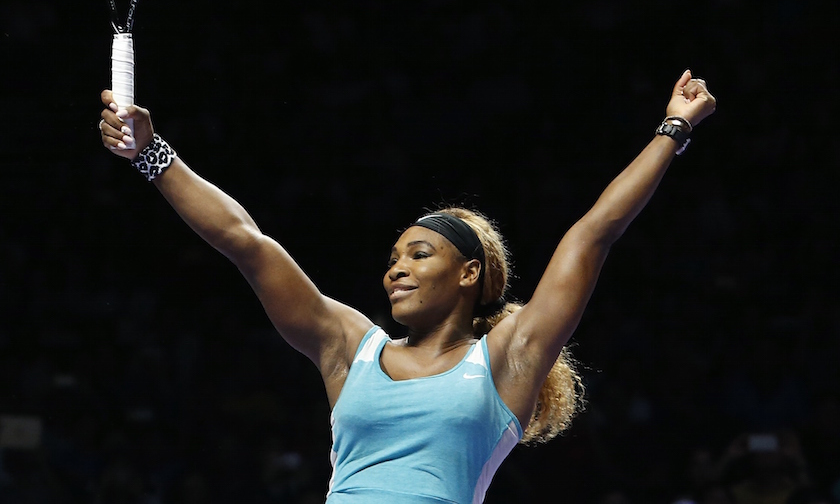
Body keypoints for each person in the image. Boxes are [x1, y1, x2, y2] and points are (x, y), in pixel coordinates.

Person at [97, 69, 716, 503]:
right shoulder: (350, 347)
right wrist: (154, 155)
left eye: (420, 255)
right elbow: (247, 244)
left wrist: (673, 128)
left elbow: (592, 235)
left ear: (469, 274)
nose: (396, 268)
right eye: (393, 257)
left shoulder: (510, 359)